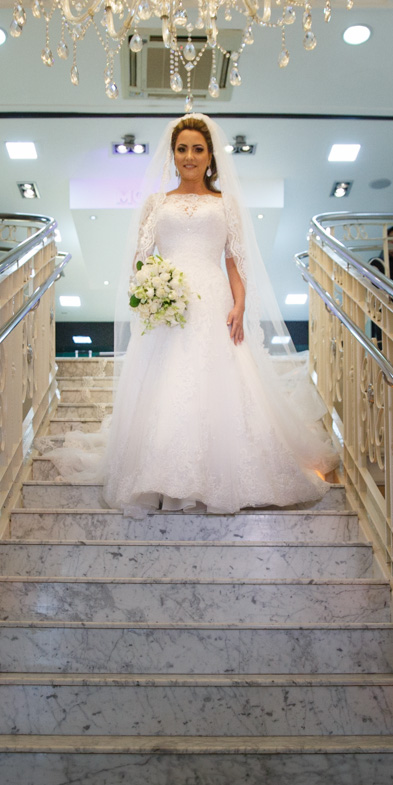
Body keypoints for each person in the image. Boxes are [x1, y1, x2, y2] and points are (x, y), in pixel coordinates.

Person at [86, 113, 337, 514]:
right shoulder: (155, 203)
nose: (189, 156)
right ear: (173, 155)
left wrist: (239, 303)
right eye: (182, 149)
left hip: (214, 298)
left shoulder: (226, 204)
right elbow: (140, 259)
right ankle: (160, 473)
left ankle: (221, 473)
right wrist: (153, 288)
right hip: (167, 305)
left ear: (210, 156)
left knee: (218, 377)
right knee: (166, 381)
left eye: (197, 149)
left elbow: (235, 260)